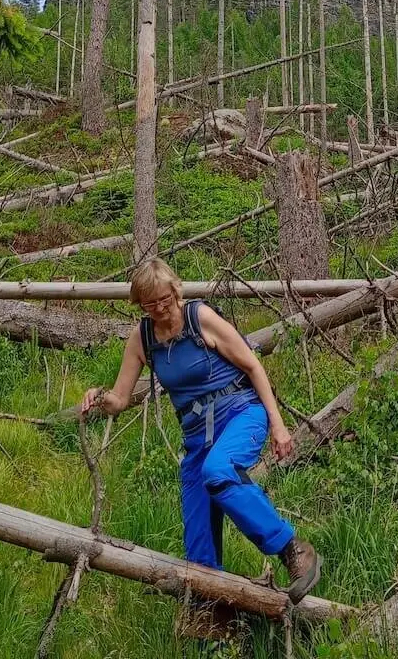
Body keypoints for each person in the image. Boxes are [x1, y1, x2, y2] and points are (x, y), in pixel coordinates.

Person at [79, 258, 322, 603]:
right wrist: (100, 396)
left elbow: (253, 365)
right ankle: (214, 619)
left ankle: (292, 549)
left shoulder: (200, 318)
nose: (160, 309)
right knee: (198, 548)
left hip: (240, 413)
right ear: (140, 305)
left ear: (176, 291)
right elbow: (120, 399)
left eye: (165, 299)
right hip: (198, 437)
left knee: (219, 471)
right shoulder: (142, 337)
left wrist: (279, 426)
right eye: (150, 304)